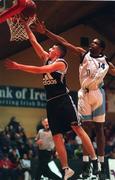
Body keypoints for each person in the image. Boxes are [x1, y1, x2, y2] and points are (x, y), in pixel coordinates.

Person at [5, 19, 98, 180]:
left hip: (64, 99)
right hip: (51, 103)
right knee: (56, 136)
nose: (50, 48)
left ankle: (95, 160)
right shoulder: (47, 58)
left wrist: (19, 66)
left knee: (77, 128)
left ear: (58, 52)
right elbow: (34, 41)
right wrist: (26, 26)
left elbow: (41, 70)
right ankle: (66, 168)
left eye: (53, 47)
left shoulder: (61, 63)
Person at [32, 21, 112, 179]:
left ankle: (100, 164)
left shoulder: (106, 62)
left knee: (100, 129)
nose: (91, 45)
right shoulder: (83, 53)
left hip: (98, 93)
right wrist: (45, 31)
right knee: (84, 129)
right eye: (92, 43)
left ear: (101, 48)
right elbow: (64, 42)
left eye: (95, 43)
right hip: (84, 93)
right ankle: (86, 165)